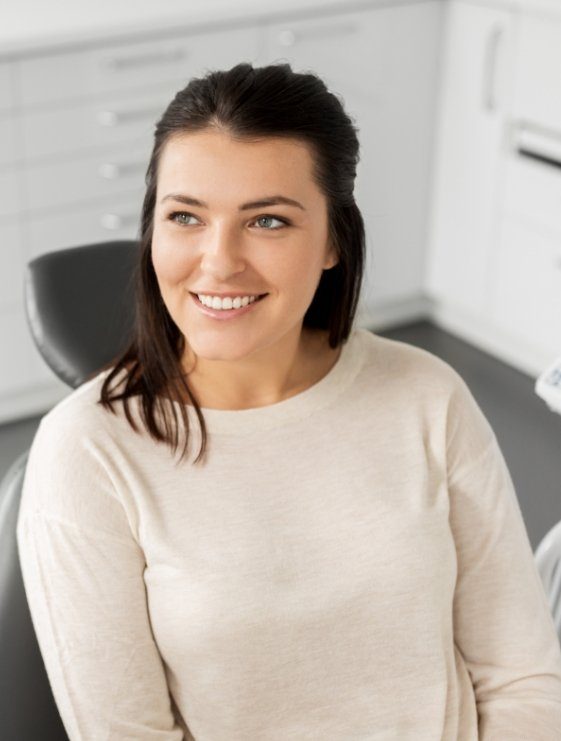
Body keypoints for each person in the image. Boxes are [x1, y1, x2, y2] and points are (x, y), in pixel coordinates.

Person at [16, 61, 561, 740]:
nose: (218, 261)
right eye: (184, 215)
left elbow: (521, 675)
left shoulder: (426, 395)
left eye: (267, 220)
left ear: (333, 238)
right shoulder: (87, 450)